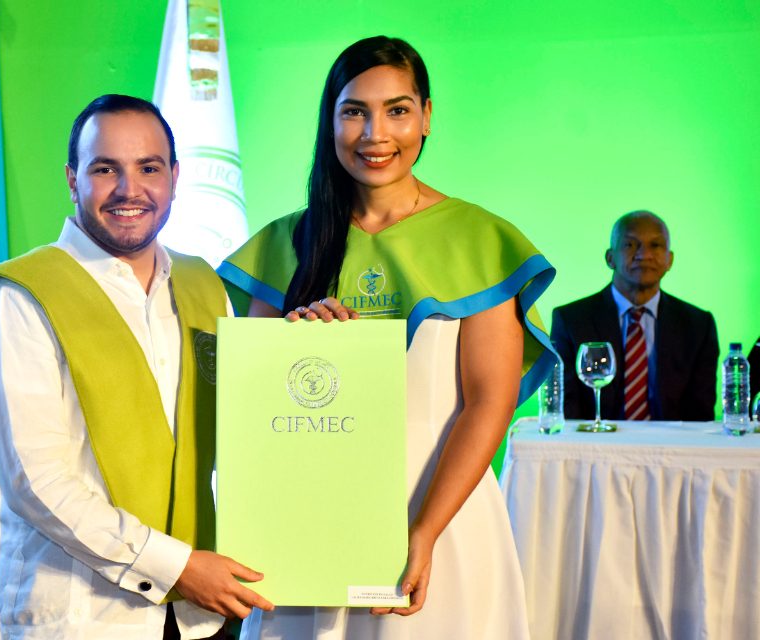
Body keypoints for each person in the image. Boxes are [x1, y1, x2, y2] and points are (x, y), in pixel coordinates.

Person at [217, 36, 554, 639]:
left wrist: (423, 531)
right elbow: (254, 408)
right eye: (354, 112)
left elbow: (490, 401)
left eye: (397, 110)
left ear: (426, 116)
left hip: (440, 511)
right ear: (330, 121)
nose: (375, 134)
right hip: (313, 519)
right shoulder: (285, 243)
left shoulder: (479, 239)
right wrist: (298, 344)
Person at [0, 94, 272, 639]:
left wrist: (312, 347)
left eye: (149, 168)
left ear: (174, 177)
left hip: (202, 616)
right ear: (72, 179)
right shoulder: (21, 299)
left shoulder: (203, 284)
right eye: (106, 169)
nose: (129, 189)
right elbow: (36, 482)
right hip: (84, 616)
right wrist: (177, 568)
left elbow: (243, 433)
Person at [551, 210, 719, 421]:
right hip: (594, 439)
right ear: (610, 258)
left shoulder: (698, 325)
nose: (644, 254)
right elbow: (566, 408)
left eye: (655, 245)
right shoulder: (571, 320)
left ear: (670, 260)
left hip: (673, 441)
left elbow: (701, 414)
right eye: (630, 245)